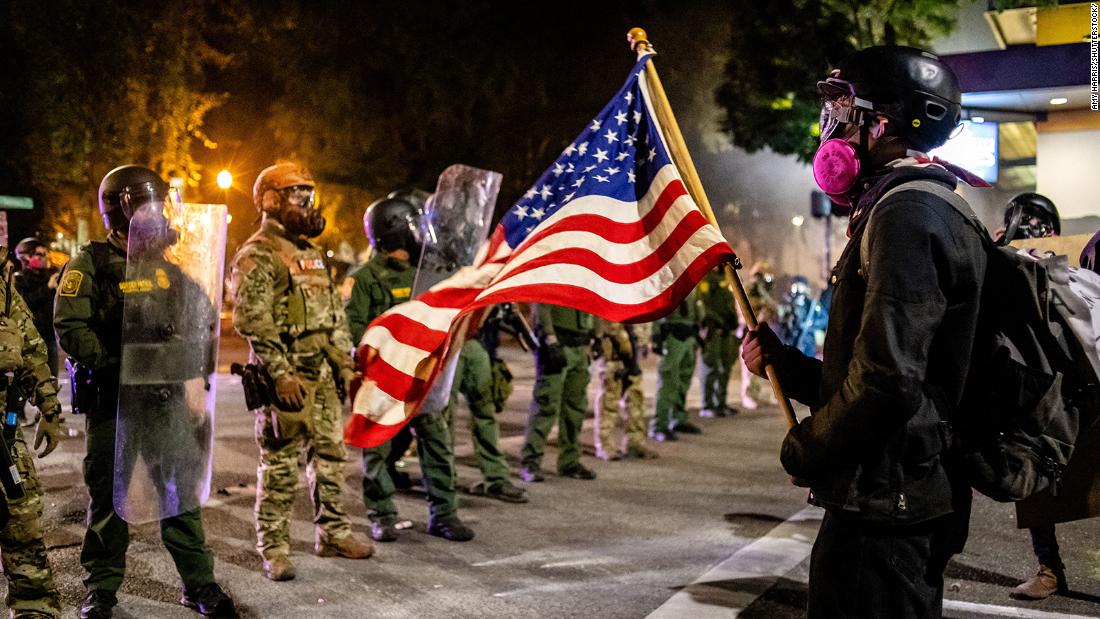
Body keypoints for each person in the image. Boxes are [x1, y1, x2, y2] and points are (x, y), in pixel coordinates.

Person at [742, 46, 986, 618]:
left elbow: (889, 381)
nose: (832, 128)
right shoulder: (917, 206)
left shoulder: (907, 215)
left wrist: (809, 445)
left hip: (887, 506)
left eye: (845, 111)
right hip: (895, 496)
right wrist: (787, 366)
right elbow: (890, 364)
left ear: (881, 125)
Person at [55, 165, 235, 617]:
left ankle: (199, 585)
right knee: (108, 503)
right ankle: (101, 590)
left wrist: (190, 344)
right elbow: (70, 325)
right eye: (149, 203)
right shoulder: (90, 265)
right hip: (115, 405)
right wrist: (109, 362)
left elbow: (204, 315)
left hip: (164, 402)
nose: (159, 212)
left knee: (181, 495)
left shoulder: (168, 271)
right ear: (123, 208)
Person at [230, 162, 373, 582]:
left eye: (310, 195)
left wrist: (346, 367)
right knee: (279, 464)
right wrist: (279, 373)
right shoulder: (257, 254)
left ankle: (333, 533)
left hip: (323, 374)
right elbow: (252, 320)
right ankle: (273, 548)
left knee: (330, 457)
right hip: (286, 378)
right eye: (298, 195)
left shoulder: (310, 254)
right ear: (270, 200)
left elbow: (333, 318)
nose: (308, 204)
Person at [346, 193, 475, 542]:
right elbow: (353, 331)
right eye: (413, 225)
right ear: (395, 232)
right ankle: (382, 514)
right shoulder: (365, 278)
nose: (421, 232)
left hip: (422, 377)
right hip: (382, 381)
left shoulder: (427, 274)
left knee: (437, 443)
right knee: (377, 449)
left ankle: (445, 514)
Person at [0, 246, 63, 619]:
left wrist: (50, 408)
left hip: (2, 433)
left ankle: (34, 605)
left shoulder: (4, 285)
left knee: (21, 516)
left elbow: (31, 348)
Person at [441, 336, 528, 502]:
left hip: (473, 340)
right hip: (445, 341)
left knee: (485, 411)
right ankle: (443, 482)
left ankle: (496, 478)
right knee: (444, 418)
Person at [519, 304, 598, 481]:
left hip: (580, 345)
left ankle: (569, 461)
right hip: (558, 343)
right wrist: (549, 337)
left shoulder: (587, 276)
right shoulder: (556, 274)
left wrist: (597, 334)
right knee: (546, 405)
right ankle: (530, 462)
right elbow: (542, 302)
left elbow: (595, 300)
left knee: (575, 409)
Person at [593, 318, 657, 460]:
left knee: (635, 396)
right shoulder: (612, 295)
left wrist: (642, 343)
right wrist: (624, 345)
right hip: (614, 351)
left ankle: (635, 442)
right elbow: (609, 323)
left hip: (632, 349)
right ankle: (605, 445)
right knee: (609, 400)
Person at [650, 291, 702, 441]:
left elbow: (696, 307)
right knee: (668, 382)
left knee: (683, 381)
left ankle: (678, 419)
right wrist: (656, 335)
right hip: (671, 335)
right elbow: (655, 307)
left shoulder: (691, 282)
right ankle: (660, 425)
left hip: (688, 336)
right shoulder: (666, 279)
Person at [697, 266, 740, 418]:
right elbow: (705, 305)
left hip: (726, 330)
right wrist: (719, 321)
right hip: (713, 330)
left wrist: (733, 320)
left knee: (726, 366)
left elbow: (729, 303)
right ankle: (707, 405)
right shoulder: (706, 279)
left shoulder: (726, 278)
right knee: (711, 367)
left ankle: (720, 403)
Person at [13, 238, 59, 375]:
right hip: (31, 338)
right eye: (39, 254)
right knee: (35, 379)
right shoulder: (20, 279)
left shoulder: (48, 275)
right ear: (26, 256)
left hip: (50, 335)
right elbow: (24, 302)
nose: (44, 258)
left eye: (45, 254)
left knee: (52, 377)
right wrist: (48, 288)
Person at [740, 261, 776, 410]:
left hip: (762, 332)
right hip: (748, 332)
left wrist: (763, 292)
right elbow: (742, 310)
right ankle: (747, 396)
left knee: (759, 366)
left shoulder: (764, 291)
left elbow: (773, 307)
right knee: (749, 369)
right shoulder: (747, 291)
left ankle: (755, 394)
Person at [778, 275, 827, 358]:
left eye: (798, 285)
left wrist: (811, 324)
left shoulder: (812, 304)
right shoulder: (787, 303)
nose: (795, 288)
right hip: (790, 342)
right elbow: (781, 320)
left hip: (807, 343)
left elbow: (824, 318)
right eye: (794, 285)